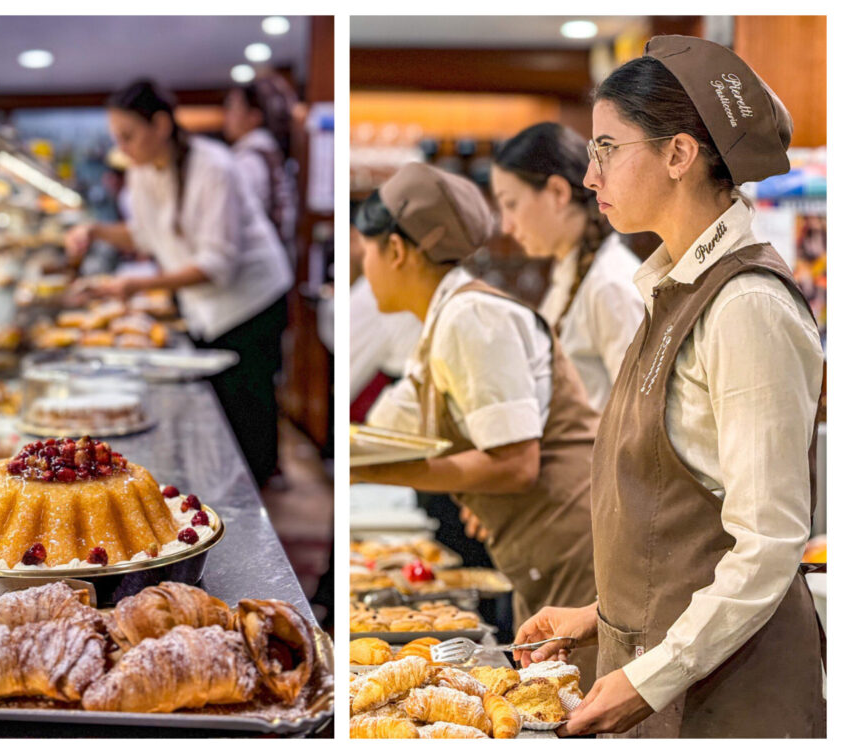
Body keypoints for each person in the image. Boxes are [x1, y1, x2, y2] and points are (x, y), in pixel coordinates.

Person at [513, 36, 826, 737]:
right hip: (664, 680)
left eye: (605, 148)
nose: (591, 176)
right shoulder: (672, 287)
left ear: (679, 155)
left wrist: (650, 674)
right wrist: (603, 617)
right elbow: (682, 524)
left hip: (732, 701)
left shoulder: (746, 305)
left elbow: (769, 541)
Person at [350, 162, 600, 689]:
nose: (361, 263)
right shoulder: (445, 320)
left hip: (576, 552)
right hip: (543, 551)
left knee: (578, 715)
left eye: (366, 249)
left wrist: (372, 469)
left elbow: (515, 465)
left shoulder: (472, 318)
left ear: (396, 250)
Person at [65, 79, 293, 488]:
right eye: (118, 138)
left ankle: (253, 507)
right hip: (207, 306)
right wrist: (94, 231)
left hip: (252, 301)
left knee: (248, 411)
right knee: (223, 408)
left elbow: (216, 263)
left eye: (129, 136)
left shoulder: (214, 167)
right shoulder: (143, 171)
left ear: (161, 125)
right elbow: (145, 235)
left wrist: (134, 288)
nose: (123, 148)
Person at [491, 122, 644, 412]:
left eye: (511, 204)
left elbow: (637, 419)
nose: (506, 226)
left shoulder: (610, 284)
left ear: (558, 192)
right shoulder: (571, 273)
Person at [223, 75, 298, 254]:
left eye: (232, 108)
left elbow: (233, 218)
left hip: (258, 259)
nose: (226, 116)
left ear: (254, 117)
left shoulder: (248, 160)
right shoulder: (269, 152)